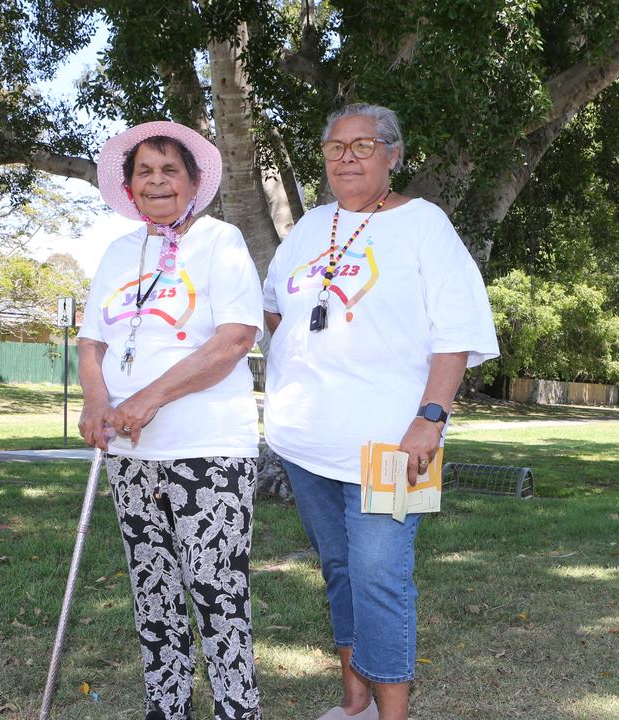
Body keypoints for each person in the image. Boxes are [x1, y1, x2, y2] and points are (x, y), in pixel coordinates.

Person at [262, 104, 499, 720]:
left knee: (380, 579)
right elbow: (270, 315)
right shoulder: (309, 228)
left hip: (393, 445)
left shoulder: (425, 225)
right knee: (339, 570)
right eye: (336, 147)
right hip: (304, 441)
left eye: (363, 145)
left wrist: (431, 417)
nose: (347, 157)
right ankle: (354, 705)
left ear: (393, 156)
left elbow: (457, 331)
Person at [77, 120, 263, 720]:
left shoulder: (222, 241)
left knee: (217, 595)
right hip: (131, 456)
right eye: (144, 172)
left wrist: (148, 398)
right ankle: (168, 708)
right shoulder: (115, 252)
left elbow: (234, 340)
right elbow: (91, 344)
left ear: (191, 181)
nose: (156, 181)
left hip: (209, 450)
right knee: (152, 593)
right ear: (130, 188)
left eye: (169, 170)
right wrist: (95, 401)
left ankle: (238, 711)